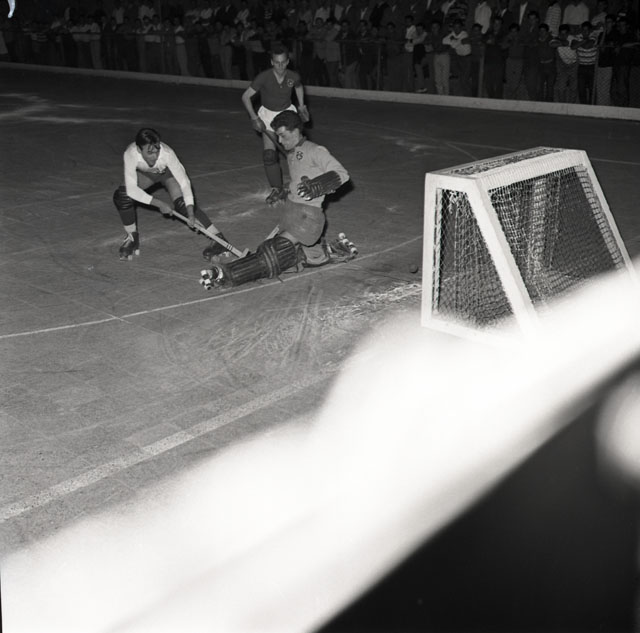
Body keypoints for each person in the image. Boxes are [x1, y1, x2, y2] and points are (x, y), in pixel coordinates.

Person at [200, 110, 352, 289]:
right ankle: (317, 254)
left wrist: (319, 185)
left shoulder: (315, 150)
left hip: (308, 218)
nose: (279, 140)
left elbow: (342, 173)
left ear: (295, 131)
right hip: (292, 213)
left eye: (282, 135)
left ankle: (229, 275)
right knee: (270, 248)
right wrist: (285, 190)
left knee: (273, 251)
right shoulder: (293, 153)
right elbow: (300, 179)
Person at [113, 127, 229, 262]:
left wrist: (190, 213)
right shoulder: (130, 154)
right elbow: (132, 190)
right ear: (139, 149)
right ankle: (132, 237)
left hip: (168, 173)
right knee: (123, 196)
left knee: (183, 204)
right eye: (149, 153)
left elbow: (184, 183)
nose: (155, 157)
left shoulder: (167, 153)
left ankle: (218, 239)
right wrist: (159, 203)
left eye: (157, 151)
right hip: (147, 174)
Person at [241, 44, 309, 205]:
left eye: (283, 62)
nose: (280, 66)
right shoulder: (263, 77)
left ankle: (304, 182)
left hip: (287, 116)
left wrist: (301, 106)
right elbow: (245, 97)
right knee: (269, 155)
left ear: (288, 62)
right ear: (272, 62)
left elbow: (298, 87)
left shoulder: (293, 76)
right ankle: (277, 189)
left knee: (296, 152)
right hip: (268, 116)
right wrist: (254, 118)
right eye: (277, 63)